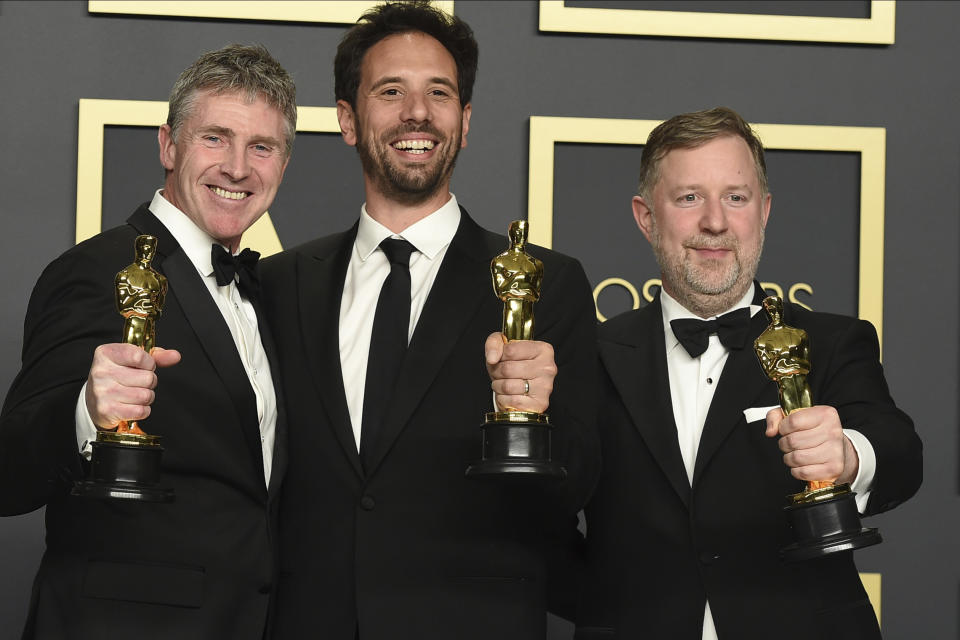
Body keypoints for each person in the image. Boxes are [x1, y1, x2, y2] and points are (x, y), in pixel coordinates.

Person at [259, 2, 599, 638]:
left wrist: (539, 416)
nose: (417, 112)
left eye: (438, 93)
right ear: (347, 121)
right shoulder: (280, 284)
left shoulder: (545, 283)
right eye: (391, 91)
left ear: (464, 122)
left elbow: (581, 483)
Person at [576, 107, 922, 639]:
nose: (715, 221)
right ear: (647, 217)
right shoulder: (590, 351)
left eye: (736, 198)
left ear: (763, 212)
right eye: (689, 197)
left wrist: (849, 455)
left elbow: (900, 451)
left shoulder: (830, 341)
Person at [0, 44, 296, 639]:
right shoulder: (96, 270)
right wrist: (86, 412)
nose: (238, 168)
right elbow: (10, 474)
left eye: (261, 147)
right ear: (168, 145)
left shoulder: (271, 295)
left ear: (283, 164)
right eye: (215, 138)